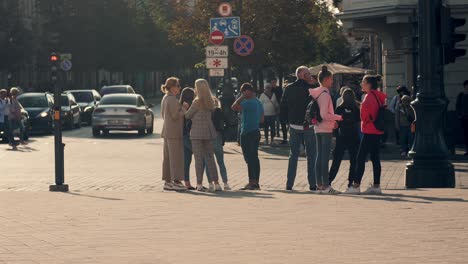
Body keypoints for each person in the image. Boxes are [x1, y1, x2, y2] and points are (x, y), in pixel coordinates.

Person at [346, 75, 387, 195]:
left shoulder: (368, 97)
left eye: (363, 82)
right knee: (375, 158)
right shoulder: (379, 96)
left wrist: (363, 110)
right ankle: (376, 186)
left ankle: (356, 185)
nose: (361, 84)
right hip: (377, 130)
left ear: (369, 84)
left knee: (360, 158)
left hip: (369, 130)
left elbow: (364, 116)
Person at [281, 66, 317, 191]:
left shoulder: (289, 88)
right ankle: (312, 184)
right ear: (302, 74)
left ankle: (289, 184)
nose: (310, 75)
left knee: (293, 155)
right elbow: (317, 104)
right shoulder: (311, 88)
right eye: (308, 73)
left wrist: (286, 123)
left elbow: (283, 106)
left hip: (294, 125)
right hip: (308, 126)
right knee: (311, 155)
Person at [309, 66, 343, 194]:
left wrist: (333, 120)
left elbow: (322, 114)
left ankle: (320, 185)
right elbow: (324, 115)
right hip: (325, 128)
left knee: (319, 156)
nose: (332, 81)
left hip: (318, 127)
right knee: (324, 157)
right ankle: (325, 185)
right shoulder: (325, 94)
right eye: (331, 79)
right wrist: (339, 117)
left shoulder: (317, 92)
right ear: (327, 79)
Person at [184, 79, 222, 192]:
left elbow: (187, 116)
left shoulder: (196, 101)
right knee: (210, 158)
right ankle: (217, 183)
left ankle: (199, 184)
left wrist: (185, 109)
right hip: (208, 132)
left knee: (198, 159)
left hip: (196, 133)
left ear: (198, 88)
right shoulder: (212, 101)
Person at [232, 83, 264, 190]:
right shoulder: (258, 102)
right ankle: (256, 181)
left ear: (247, 91)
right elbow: (262, 119)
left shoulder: (248, 102)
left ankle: (252, 182)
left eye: (243, 92)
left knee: (249, 158)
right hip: (256, 131)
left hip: (247, 132)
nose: (242, 94)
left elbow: (234, 107)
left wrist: (241, 98)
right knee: (254, 157)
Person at [328, 88, 361, 188]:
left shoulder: (339, 108)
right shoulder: (356, 108)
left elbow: (335, 124)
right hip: (353, 136)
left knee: (336, 160)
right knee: (353, 161)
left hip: (341, 136)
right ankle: (351, 182)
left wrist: (334, 136)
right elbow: (359, 123)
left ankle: (329, 180)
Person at [161, 77, 187, 191]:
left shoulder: (165, 98)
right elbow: (176, 115)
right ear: (172, 87)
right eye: (177, 86)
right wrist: (184, 108)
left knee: (168, 158)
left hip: (167, 131)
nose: (179, 88)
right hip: (174, 133)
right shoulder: (172, 99)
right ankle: (176, 181)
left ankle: (167, 181)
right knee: (176, 157)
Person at [204, 97, 231, 190]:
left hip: (208, 138)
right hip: (217, 137)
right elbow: (226, 123)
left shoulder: (206, 112)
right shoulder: (219, 112)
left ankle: (211, 183)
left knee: (208, 163)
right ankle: (225, 183)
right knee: (221, 162)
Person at [180, 87, 196, 190]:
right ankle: (198, 182)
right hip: (188, 135)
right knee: (200, 157)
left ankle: (187, 183)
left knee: (187, 161)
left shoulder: (180, 105)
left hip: (182, 135)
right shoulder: (189, 106)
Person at [271, 78, 288, 144]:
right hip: (272, 107)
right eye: (272, 82)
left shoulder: (279, 89)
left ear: (275, 82)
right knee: (272, 123)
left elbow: (282, 97)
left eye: (274, 82)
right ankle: (272, 138)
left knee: (282, 123)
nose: (273, 84)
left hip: (280, 108)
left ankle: (285, 138)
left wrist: (279, 105)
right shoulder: (270, 89)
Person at [456, 80, 468, 155]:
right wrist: (459, 115)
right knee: (466, 134)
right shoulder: (461, 95)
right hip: (464, 118)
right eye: (467, 85)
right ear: (464, 86)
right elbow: (458, 106)